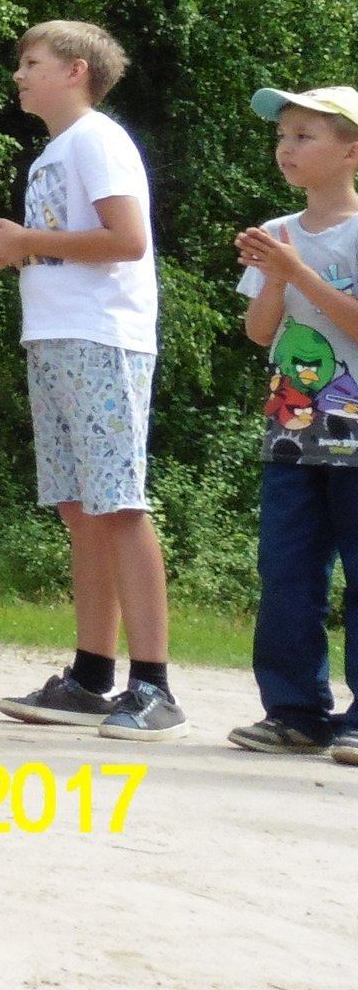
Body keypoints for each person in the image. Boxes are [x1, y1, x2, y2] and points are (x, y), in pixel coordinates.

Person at [0, 21, 182, 741]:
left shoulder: (97, 138)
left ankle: (153, 686)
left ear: (77, 71)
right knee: (79, 509)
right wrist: (16, 244)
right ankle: (92, 677)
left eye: (32, 63)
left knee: (117, 503)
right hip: (55, 338)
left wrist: (26, 242)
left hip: (102, 340)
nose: (19, 75)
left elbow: (127, 241)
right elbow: (68, 247)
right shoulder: (54, 153)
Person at [227, 85, 358, 760]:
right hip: (290, 432)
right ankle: (296, 712)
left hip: (357, 436)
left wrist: (297, 272)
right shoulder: (278, 231)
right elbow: (259, 333)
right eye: (283, 136)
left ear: (351, 152)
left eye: (306, 135)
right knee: (286, 573)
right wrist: (275, 278)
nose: (287, 148)